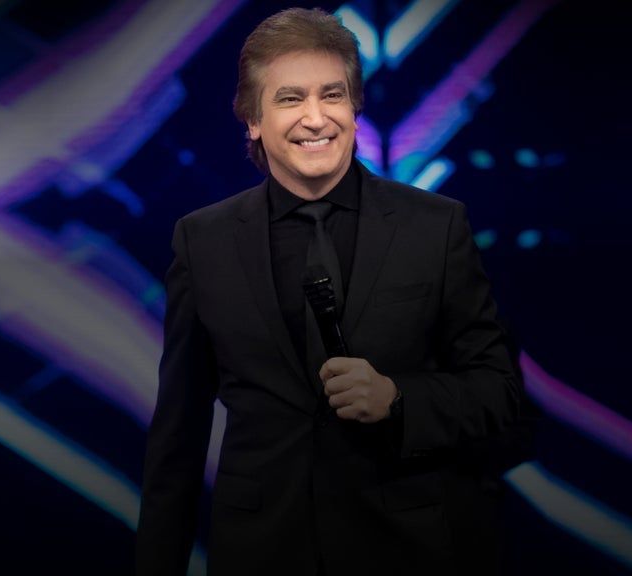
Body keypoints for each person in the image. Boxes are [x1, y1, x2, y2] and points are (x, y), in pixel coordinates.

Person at [136, 7, 524, 576]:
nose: (315, 118)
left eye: (332, 95)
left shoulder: (435, 226)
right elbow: (179, 431)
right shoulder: (203, 240)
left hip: (404, 551)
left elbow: (499, 393)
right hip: (260, 552)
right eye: (290, 98)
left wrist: (397, 398)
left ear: (355, 108)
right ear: (253, 119)